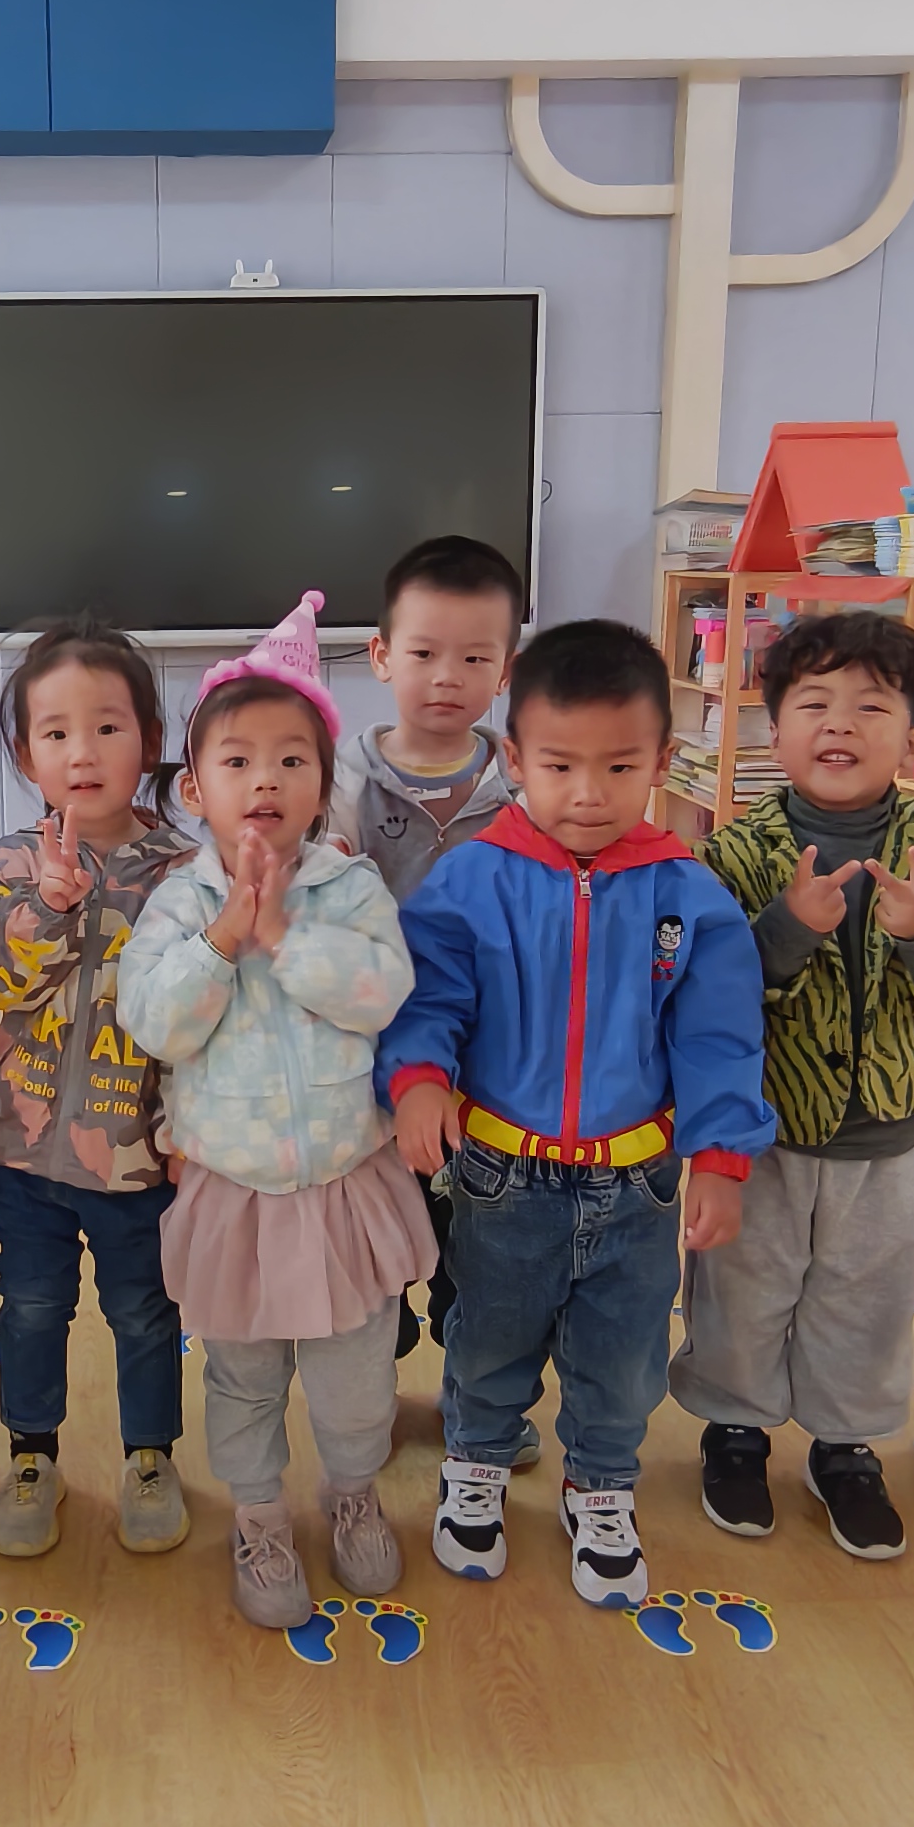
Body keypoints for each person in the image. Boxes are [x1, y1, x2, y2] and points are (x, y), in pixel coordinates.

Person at [378, 619, 773, 1609]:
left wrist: (723, 1157)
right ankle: (475, 1463)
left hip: (638, 1183)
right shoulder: (470, 878)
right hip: (500, 1176)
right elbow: (430, 997)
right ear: (515, 759)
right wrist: (418, 1077)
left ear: (662, 761)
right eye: (559, 765)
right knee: (488, 1334)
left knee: (622, 1353)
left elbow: (719, 1036)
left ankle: (600, 1486)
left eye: (619, 766)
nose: (588, 793)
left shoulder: (689, 895)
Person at [119, 601, 434, 1624]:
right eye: (238, 761)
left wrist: (288, 937)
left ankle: (352, 1493)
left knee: (356, 1379)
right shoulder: (178, 902)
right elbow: (156, 1024)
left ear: (322, 783)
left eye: (293, 760)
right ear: (194, 788)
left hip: (344, 1184)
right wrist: (223, 939)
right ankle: (258, 1516)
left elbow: (382, 993)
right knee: (244, 1378)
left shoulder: (350, 888)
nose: (265, 780)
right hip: (235, 1193)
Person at [671, 611, 914, 1561]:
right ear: (774, 729)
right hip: (765, 1131)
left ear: (913, 736)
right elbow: (703, 994)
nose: (841, 724)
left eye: (872, 706)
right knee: (744, 1287)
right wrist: (784, 930)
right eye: (814, 703)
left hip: (895, 1136)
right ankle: (734, 1431)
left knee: (868, 1295)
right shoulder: (736, 852)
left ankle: (844, 1445)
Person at [0, 614, 196, 1564]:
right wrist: (50, 907)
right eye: (55, 732)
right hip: (21, 1147)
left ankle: (151, 1458)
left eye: (107, 727)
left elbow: (198, 1015)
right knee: (29, 1306)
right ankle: (32, 1457)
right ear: (27, 754)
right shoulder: (9, 861)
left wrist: (185, 1130)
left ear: (149, 739)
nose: (83, 752)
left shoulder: (187, 868)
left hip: (138, 1151)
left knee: (145, 1310)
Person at [327, 534, 537, 1429]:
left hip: (490, 1067)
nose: (447, 676)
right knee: (373, 1242)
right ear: (381, 656)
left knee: (482, 1249)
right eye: (423, 653)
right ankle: (369, 1396)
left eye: (476, 658)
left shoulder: (526, 785)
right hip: (365, 1062)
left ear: (506, 670)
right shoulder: (337, 779)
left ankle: (476, 1405)